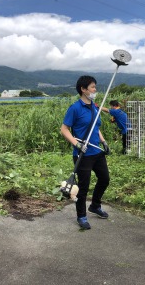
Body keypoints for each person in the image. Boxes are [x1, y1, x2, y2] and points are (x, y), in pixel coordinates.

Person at [60, 75, 111, 230]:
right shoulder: (75, 108)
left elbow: (96, 127)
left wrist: (103, 141)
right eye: (92, 87)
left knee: (105, 179)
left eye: (95, 86)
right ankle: (81, 216)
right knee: (83, 186)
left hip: (96, 151)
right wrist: (77, 144)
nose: (95, 90)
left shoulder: (95, 107)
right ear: (83, 89)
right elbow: (64, 129)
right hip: (82, 154)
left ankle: (95, 205)